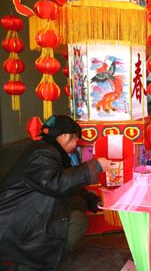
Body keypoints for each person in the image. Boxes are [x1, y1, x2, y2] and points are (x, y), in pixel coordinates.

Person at [0, 115, 111, 270]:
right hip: (16, 226)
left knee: (78, 210)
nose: (75, 146)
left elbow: (64, 182)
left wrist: (90, 199)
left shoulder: (44, 149)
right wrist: (94, 166)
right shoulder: (42, 153)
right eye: (75, 140)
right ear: (65, 136)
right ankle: (34, 262)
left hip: (26, 215)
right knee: (77, 220)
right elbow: (56, 183)